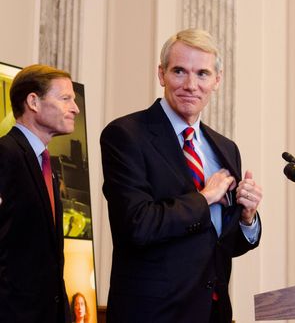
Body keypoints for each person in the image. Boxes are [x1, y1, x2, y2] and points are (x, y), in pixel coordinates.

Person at [100, 28, 262, 323]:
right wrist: (204, 198)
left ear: (217, 80)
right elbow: (137, 225)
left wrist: (247, 218)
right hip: (152, 314)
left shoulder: (226, 148)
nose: (191, 85)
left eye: (202, 74)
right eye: (179, 71)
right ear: (161, 74)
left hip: (213, 312)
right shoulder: (125, 135)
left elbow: (218, 244)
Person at [0, 64, 80, 323]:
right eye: (65, 98)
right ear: (33, 101)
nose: (75, 108)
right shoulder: (5, 154)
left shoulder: (46, 163)